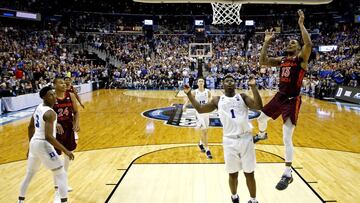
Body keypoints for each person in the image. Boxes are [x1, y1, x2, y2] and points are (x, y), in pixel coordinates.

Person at [253, 10, 313, 190]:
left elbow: (308, 43)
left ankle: (288, 173)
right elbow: (263, 61)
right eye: (289, 42)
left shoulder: (301, 60)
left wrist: (301, 24)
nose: (290, 43)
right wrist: (265, 42)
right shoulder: (282, 60)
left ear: (298, 48)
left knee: (287, 137)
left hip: (292, 100)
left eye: (294, 42)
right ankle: (262, 134)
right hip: (280, 96)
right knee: (260, 118)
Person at [184, 74, 263, 203]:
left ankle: (253, 200)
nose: (230, 82)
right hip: (229, 140)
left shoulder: (242, 97)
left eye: (232, 80)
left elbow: (258, 106)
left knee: (249, 173)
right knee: (232, 174)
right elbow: (200, 109)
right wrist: (189, 95)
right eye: (227, 81)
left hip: (246, 139)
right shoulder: (217, 100)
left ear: (235, 84)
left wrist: (254, 87)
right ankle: (234, 197)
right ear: (223, 85)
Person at [18, 86, 74, 203]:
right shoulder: (50, 113)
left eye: (54, 94)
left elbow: (30, 127)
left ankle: (20, 200)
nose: (54, 97)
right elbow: (48, 136)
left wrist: (30, 148)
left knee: (29, 174)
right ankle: (64, 201)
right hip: (43, 144)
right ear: (44, 97)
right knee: (61, 173)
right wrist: (65, 150)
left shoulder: (38, 107)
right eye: (50, 95)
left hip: (34, 143)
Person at [53, 78, 80, 193]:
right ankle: (57, 184)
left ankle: (63, 181)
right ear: (54, 85)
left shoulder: (71, 96)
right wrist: (55, 123)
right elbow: (46, 113)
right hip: (56, 131)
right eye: (61, 83)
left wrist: (76, 122)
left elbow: (76, 112)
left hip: (68, 128)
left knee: (68, 156)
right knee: (56, 158)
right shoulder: (51, 97)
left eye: (64, 83)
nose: (64, 84)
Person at [183, 78, 213, 159]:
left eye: (202, 81)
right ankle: (207, 150)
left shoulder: (208, 91)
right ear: (197, 83)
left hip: (206, 112)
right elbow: (189, 99)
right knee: (204, 131)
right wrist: (185, 105)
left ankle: (200, 143)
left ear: (204, 83)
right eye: (199, 81)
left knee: (205, 131)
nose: (201, 82)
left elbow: (211, 100)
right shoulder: (194, 92)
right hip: (199, 113)